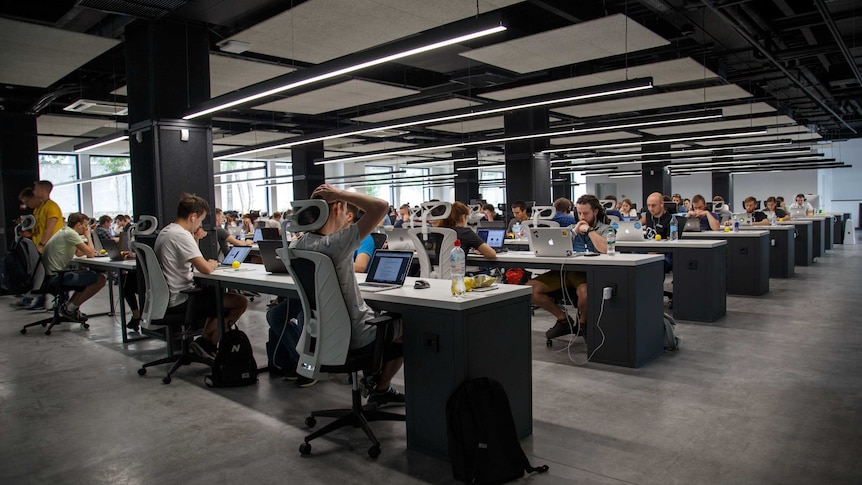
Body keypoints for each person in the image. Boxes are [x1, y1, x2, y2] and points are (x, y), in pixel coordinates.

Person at [286, 184, 405, 406]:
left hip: (322, 336)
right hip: (357, 335)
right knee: (410, 324)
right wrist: (340, 194)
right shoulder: (336, 243)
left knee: (381, 318)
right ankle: (381, 387)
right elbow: (381, 207)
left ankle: (372, 377)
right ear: (336, 210)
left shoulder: (297, 244)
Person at [155, 194, 249, 361]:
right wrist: (212, 263)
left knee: (216, 297)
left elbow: (188, 257)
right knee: (240, 302)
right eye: (200, 220)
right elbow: (205, 268)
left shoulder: (167, 231)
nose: (200, 224)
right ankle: (208, 343)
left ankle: (205, 343)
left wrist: (195, 239)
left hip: (168, 298)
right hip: (181, 299)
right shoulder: (181, 235)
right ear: (193, 217)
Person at [529, 195, 611, 340]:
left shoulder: (606, 229)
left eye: (585, 213)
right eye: (579, 213)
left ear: (596, 212)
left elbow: (605, 249)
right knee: (531, 288)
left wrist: (590, 230)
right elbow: (557, 246)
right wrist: (574, 232)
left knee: (584, 293)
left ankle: (583, 323)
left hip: (587, 273)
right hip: (566, 272)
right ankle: (563, 319)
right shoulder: (570, 229)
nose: (582, 217)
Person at [41, 212, 108, 322]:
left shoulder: (65, 232)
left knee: (85, 276)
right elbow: (90, 254)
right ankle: (70, 308)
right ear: (78, 225)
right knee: (101, 279)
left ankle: (70, 307)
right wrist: (88, 236)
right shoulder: (71, 234)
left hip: (51, 275)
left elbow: (78, 253)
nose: (87, 228)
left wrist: (88, 250)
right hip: (56, 277)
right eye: (85, 225)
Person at [640, 192, 674, 272]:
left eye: (653, 205)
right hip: (647, 250)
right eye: (648, 205)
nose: (650, 208)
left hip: (663, 254)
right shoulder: (648, 214)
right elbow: (637, 225)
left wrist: (654, 251)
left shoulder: (670, 219)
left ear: (662, 204)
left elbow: (670, 244)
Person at [32, 180, 63, 254]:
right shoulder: (39, 208)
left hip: (51, 248)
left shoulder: (52, 206)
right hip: (41, 248)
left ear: (41, 190)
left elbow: (50, 228)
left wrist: (41, 244)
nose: (33, 191)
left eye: (35, 189)